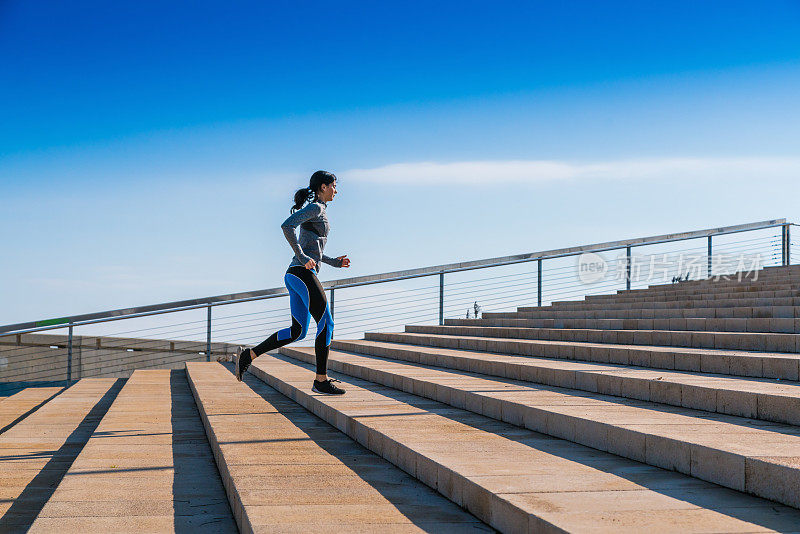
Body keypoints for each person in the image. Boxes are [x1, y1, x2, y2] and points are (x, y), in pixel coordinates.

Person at [235, 170, 350, 394]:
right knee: (327, 323)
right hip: (301, 273)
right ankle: (321, 380)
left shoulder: (320, 210)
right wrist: (303, 257)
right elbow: (287, 225)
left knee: (298, 331)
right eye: (334, 185)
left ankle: (249, 355)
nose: (337, 190)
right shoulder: (316, 207)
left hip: (294, 274)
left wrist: (334, 262)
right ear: (324, 187)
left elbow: (313, 249)